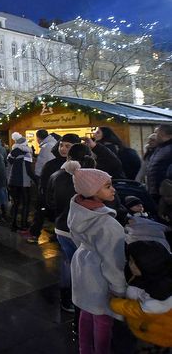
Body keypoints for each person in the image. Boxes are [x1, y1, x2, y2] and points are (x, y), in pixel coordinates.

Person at [66, 162, 126, 354]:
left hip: (82, 264)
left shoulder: (77, 210)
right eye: (107, 186)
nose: (113, 189)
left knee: (86, 310)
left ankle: (85, 349)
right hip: (99, 273)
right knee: (103, 318)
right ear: (92, 191)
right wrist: (119, 288)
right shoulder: (108, 224)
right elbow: (113, 262)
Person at [46, 143, 96, 313]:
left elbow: (49, 202)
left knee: (68, 261)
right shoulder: (92, 177)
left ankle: (67, 299)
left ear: (68, 157)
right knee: (86, 263)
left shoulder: (56, 176)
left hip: (62, 226)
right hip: (85, 227)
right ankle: (85, 299)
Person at [110, 241, 172, 351]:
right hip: (149, 330)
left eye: (135, 262)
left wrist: (114, 303)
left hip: (154, 337)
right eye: (130, 260)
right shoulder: (155, 275)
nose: (130, 264)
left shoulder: (160, 294)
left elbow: (138, 310)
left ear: (148, 266)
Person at [26, 134, 82, 243]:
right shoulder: (51, 164)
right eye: (61, 145)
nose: (63, 149)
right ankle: (34, 234)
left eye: (67, 146)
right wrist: (44, 196)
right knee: (40, 214)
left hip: (69, 201)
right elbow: (43, 182)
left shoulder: (79, 164)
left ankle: (60, 235)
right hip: (49, 198)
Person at [7, 132, 34, 232]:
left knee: (16, 203)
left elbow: (8, 165)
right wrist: (36, 179)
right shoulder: (27, 153)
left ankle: (13, 224)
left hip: (12, 181)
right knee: (26, 203)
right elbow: (28, 170)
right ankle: (23, 224)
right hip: (24, 182)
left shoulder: (12, 152)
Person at [146, 124, 172, 203]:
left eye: (156, 133)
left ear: (162, 133)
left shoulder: (169, 148)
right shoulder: (160, 148)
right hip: (158, 192)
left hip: (166, 193)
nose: (155, 135)